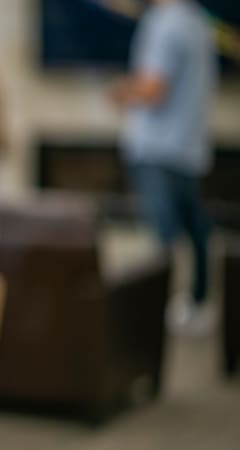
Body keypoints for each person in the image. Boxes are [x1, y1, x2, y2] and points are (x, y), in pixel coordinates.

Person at [111, 0, 217, 332]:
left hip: (157, 148)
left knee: (164, 238)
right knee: (195, 227)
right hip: (188, 146)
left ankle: (159, 314)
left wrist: (120, 91)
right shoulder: (198, 22)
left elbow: (153, 88)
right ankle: (197, 302)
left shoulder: (164, 22)